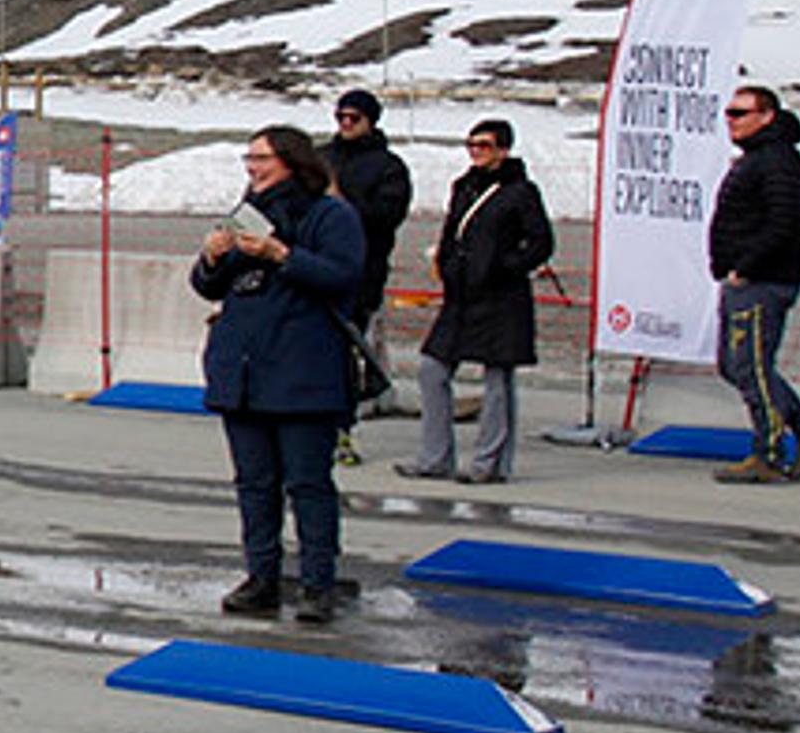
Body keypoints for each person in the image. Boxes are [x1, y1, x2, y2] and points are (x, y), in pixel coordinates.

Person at [190, 126, 365, 623]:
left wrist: (282, 256)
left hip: (304, 373)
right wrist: (212, 258)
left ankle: (317, 584)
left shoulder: (330, 215)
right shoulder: (246, 215)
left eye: (261, 158)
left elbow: (344, 276)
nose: (252, 167)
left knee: (308, 483)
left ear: (290, 161)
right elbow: (208, 286)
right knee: (254, 483)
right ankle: (261, 576)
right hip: (242, 373)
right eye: (248, 158)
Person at [400, 119, 554, 486]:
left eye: (483, 145)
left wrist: (504, 267)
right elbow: (453, 231)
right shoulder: (463, 186)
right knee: (432, 369)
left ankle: (491, 462)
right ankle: (435, 457)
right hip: (462, 296)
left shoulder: (521, 192)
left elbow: (541, 243)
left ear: (503, 149)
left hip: (502, 296)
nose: (475, 152)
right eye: (471, 145)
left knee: (498, 379)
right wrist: (449, 265)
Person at [709, 85, 800, 484]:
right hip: (747, 277)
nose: (732, 120)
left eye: (741, 113)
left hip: (763, 281)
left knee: (751, 367)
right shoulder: (759, 159)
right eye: (729, 113)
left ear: (766, 116)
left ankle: (769, 450)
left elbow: (784, 223)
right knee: (736, 366)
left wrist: (745, 266)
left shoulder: (778, 162)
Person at [325, 88, 415, 419]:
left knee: (349, 342)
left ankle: (350, 410)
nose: (346, 123)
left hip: (363, 268)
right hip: (318, 263)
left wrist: (343, 203)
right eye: (341, 117)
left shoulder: (389, 167)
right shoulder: (322, 157)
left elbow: (387, 216)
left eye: (354, 118)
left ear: (371, 121)